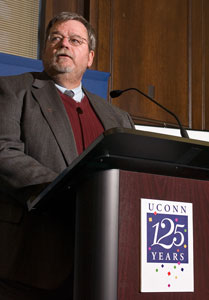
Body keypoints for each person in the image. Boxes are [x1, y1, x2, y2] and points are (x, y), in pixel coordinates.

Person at [0, 11, 134, 300]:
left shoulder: (118, 117)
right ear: (45, 48)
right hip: (31, 259)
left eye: (75, 40)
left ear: (89, 57)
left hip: (104, 260)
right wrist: (65, 189)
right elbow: (4, 152)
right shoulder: (13, 89)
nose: (64, 44)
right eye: (56, 38)